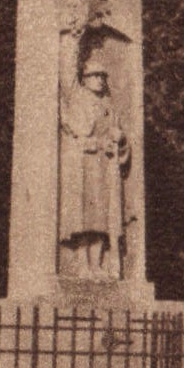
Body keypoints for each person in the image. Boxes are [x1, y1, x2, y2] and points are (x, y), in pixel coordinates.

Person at [58, 53, 129, 278]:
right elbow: (75, 136)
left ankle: (97, 265)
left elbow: (118, 138)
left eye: (101, 75)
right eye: (94, 75)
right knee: (81, 217)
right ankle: (81, 265)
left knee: (101, 219)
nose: (99, 79)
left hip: (103, 167)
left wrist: (120, 139)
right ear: (85, 78)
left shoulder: (109, 107)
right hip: (82, 167)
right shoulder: (77, 101)